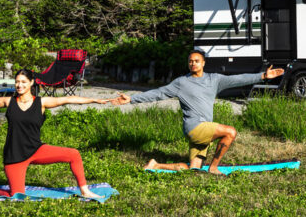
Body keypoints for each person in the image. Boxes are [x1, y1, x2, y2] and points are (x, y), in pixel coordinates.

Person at [0, 69, 117, 199]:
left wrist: (97, 100)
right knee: (17, 196)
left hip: (36, 149)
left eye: (23, 82)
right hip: (15, 155)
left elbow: (68, 99)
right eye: (17, 82)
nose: (19, 85)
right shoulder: (8, 101)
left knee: (73, 154)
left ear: (31, 83)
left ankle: (85, 191)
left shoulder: (42, 103)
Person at [115, 50, 284, 174]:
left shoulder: (214, 80)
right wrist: (132, 99)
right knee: (230, 132)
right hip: (195, 127)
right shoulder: (181, 83)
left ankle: (155, 165)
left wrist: (263, 76)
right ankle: (214, 167)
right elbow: (158, 93)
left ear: (203, 63)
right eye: (190, 61)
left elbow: (237, 79)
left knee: (193, 169)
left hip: (203, 129)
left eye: (197, 61)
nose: (193, 63)